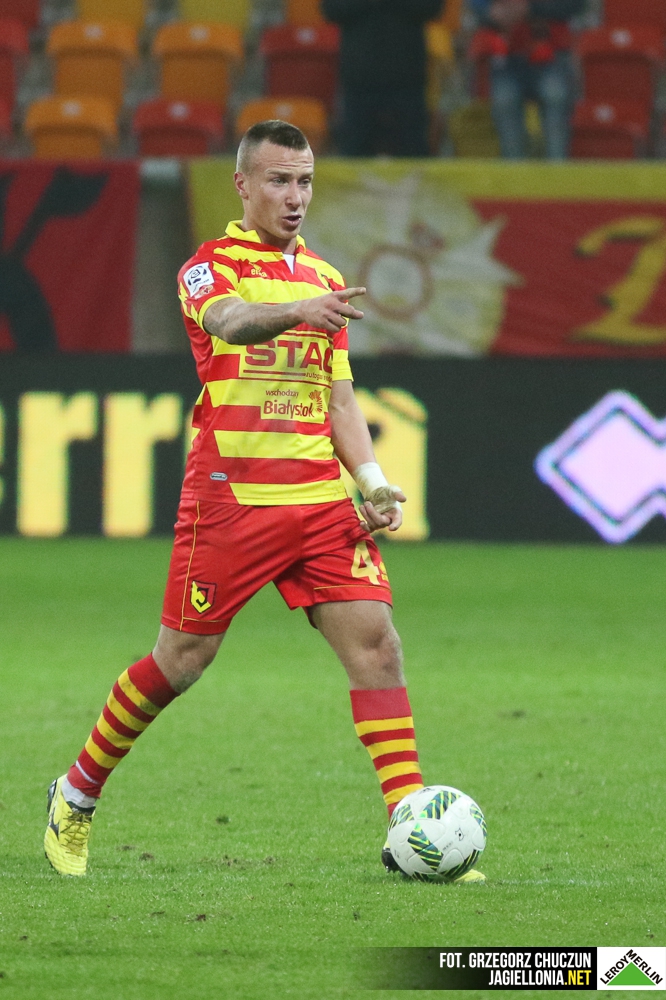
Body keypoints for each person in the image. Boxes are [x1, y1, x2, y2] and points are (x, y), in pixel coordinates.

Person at [43, 119, 484, 884]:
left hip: (318, 500)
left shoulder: (323, 275)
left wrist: (372, 480)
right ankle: (75, 794)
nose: (294, 196)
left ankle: (412, 830)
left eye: (304, 181)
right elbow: (231, 324)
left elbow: (337, 398)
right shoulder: (207, 269)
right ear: (242, 185)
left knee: (377, 647)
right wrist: (298, 311)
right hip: (232, 500)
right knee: (181, 661)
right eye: (278, 180)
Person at [322, 0, 444, 157]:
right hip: (359, 76)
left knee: (413, 149)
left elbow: (432, 8)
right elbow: (332, 10)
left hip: (407, 74)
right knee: (354, 149)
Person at [470, 0, 585, 159]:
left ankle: (558, 168)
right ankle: (513, 170)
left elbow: (575, 5)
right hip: (506, 54)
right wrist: (491, 13)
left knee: (555, 98)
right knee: (505, 103)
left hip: (551, 52)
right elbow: (477, 6)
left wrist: (531, 9)